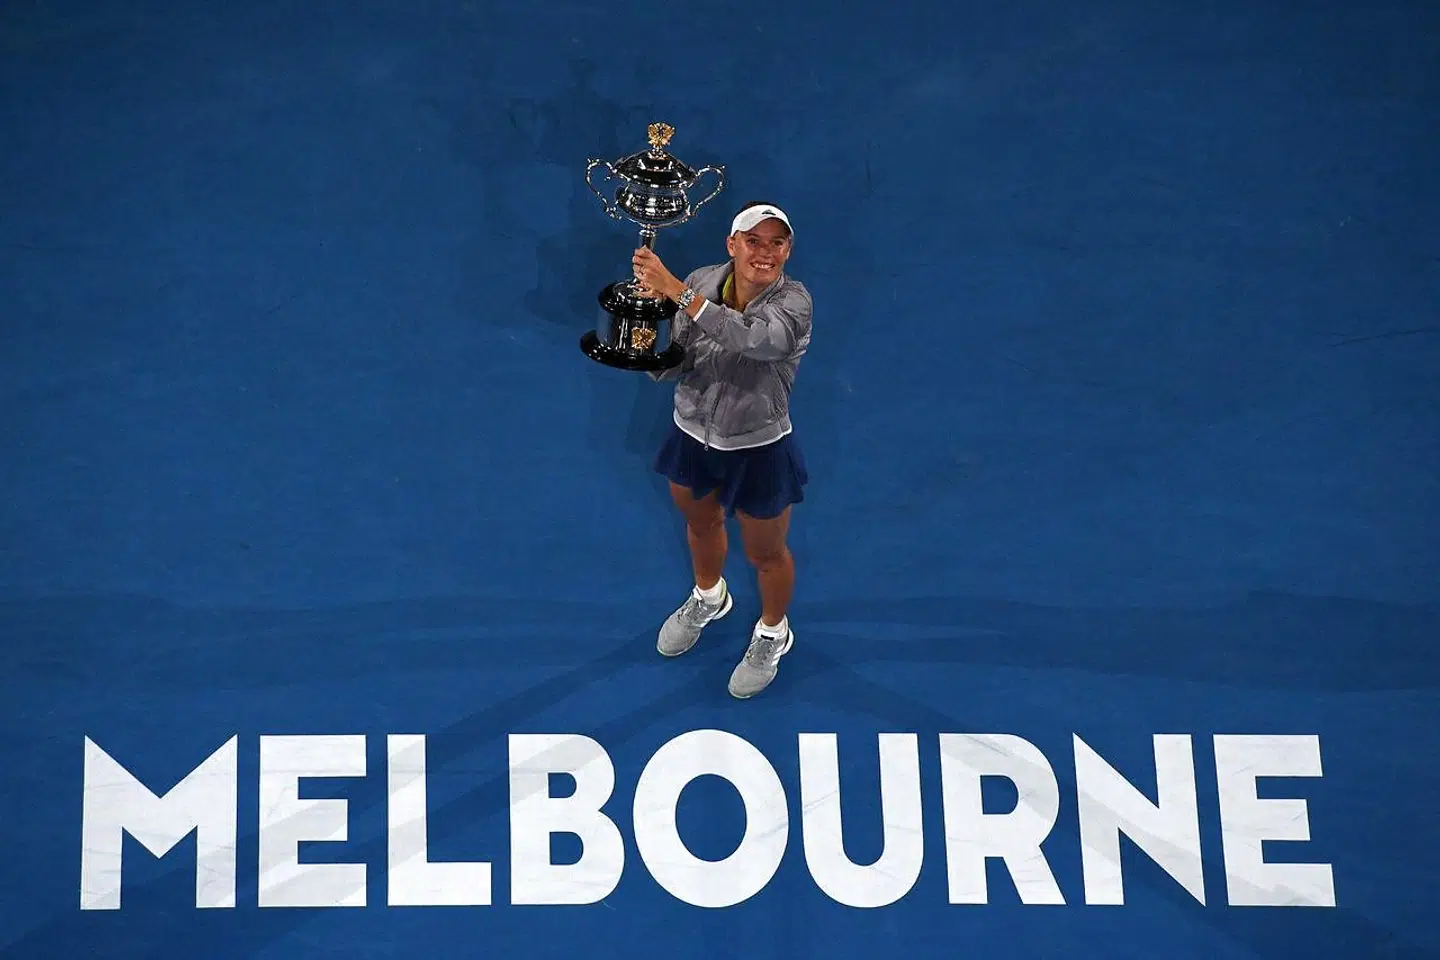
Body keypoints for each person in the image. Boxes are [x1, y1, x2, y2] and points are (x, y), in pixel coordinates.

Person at [629, 200, 813, 699]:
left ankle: (774, 632)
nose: (765, 252)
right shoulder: (703, 281)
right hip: (691, 434)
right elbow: (684, 359)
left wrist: (676, 293)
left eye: (777, 243)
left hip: (759, 447)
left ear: (787, 250)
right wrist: (646, 353)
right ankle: (709, 597)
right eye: (753, 241)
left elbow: (754, 341)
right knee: (700, 522)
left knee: (766, 552)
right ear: (732, 245)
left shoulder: (794, 304)